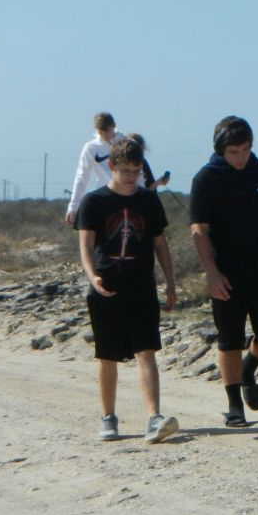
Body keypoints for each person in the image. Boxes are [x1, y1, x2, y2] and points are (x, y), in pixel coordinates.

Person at [189, 116, 258, 427]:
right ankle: (235, 404)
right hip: (226, 272)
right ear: (221, 149)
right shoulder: (206, 179)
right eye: (234, 151)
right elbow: (198, 228)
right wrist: (211, 273)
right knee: (229, 339)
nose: (241, 157)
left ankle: (249, 368)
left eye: (246, 150)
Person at [76, 136, 179, 444]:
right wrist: (92, 276)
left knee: (146, 351)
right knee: (107, 355)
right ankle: (108, 417)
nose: (132, 177)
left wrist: (171, 284)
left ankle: (154, 417)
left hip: (142, 287)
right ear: (112, 166)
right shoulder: (94, 202)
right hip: (106, 286)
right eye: (126, 171)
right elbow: (85, 244)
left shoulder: (148, 201)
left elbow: (160, 244)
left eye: (136, 171)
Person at [65, 112, 121, 225]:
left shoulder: (127, 143)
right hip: (105, 198)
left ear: (113, 126)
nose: (105, 134)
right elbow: (82, 176)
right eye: (101, 131)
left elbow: (139, 172)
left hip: (127, 196)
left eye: (107, 130)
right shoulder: (91, 148)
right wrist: (73, 206)